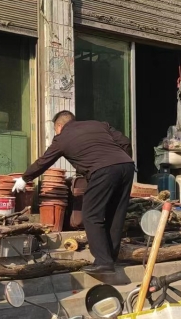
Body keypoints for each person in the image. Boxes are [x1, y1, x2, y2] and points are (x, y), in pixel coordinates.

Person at [12, 111, 134, 274]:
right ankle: (110, 258)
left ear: (59, 126)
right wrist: (122, 160)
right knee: (116, 214)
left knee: (91, 215)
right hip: (127, 166)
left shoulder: (62, 138)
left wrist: (24, 178)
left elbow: (44, 161)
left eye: (55, 130)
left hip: (102, 170)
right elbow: (125, 141)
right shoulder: (99, 124)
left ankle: (104, 262)